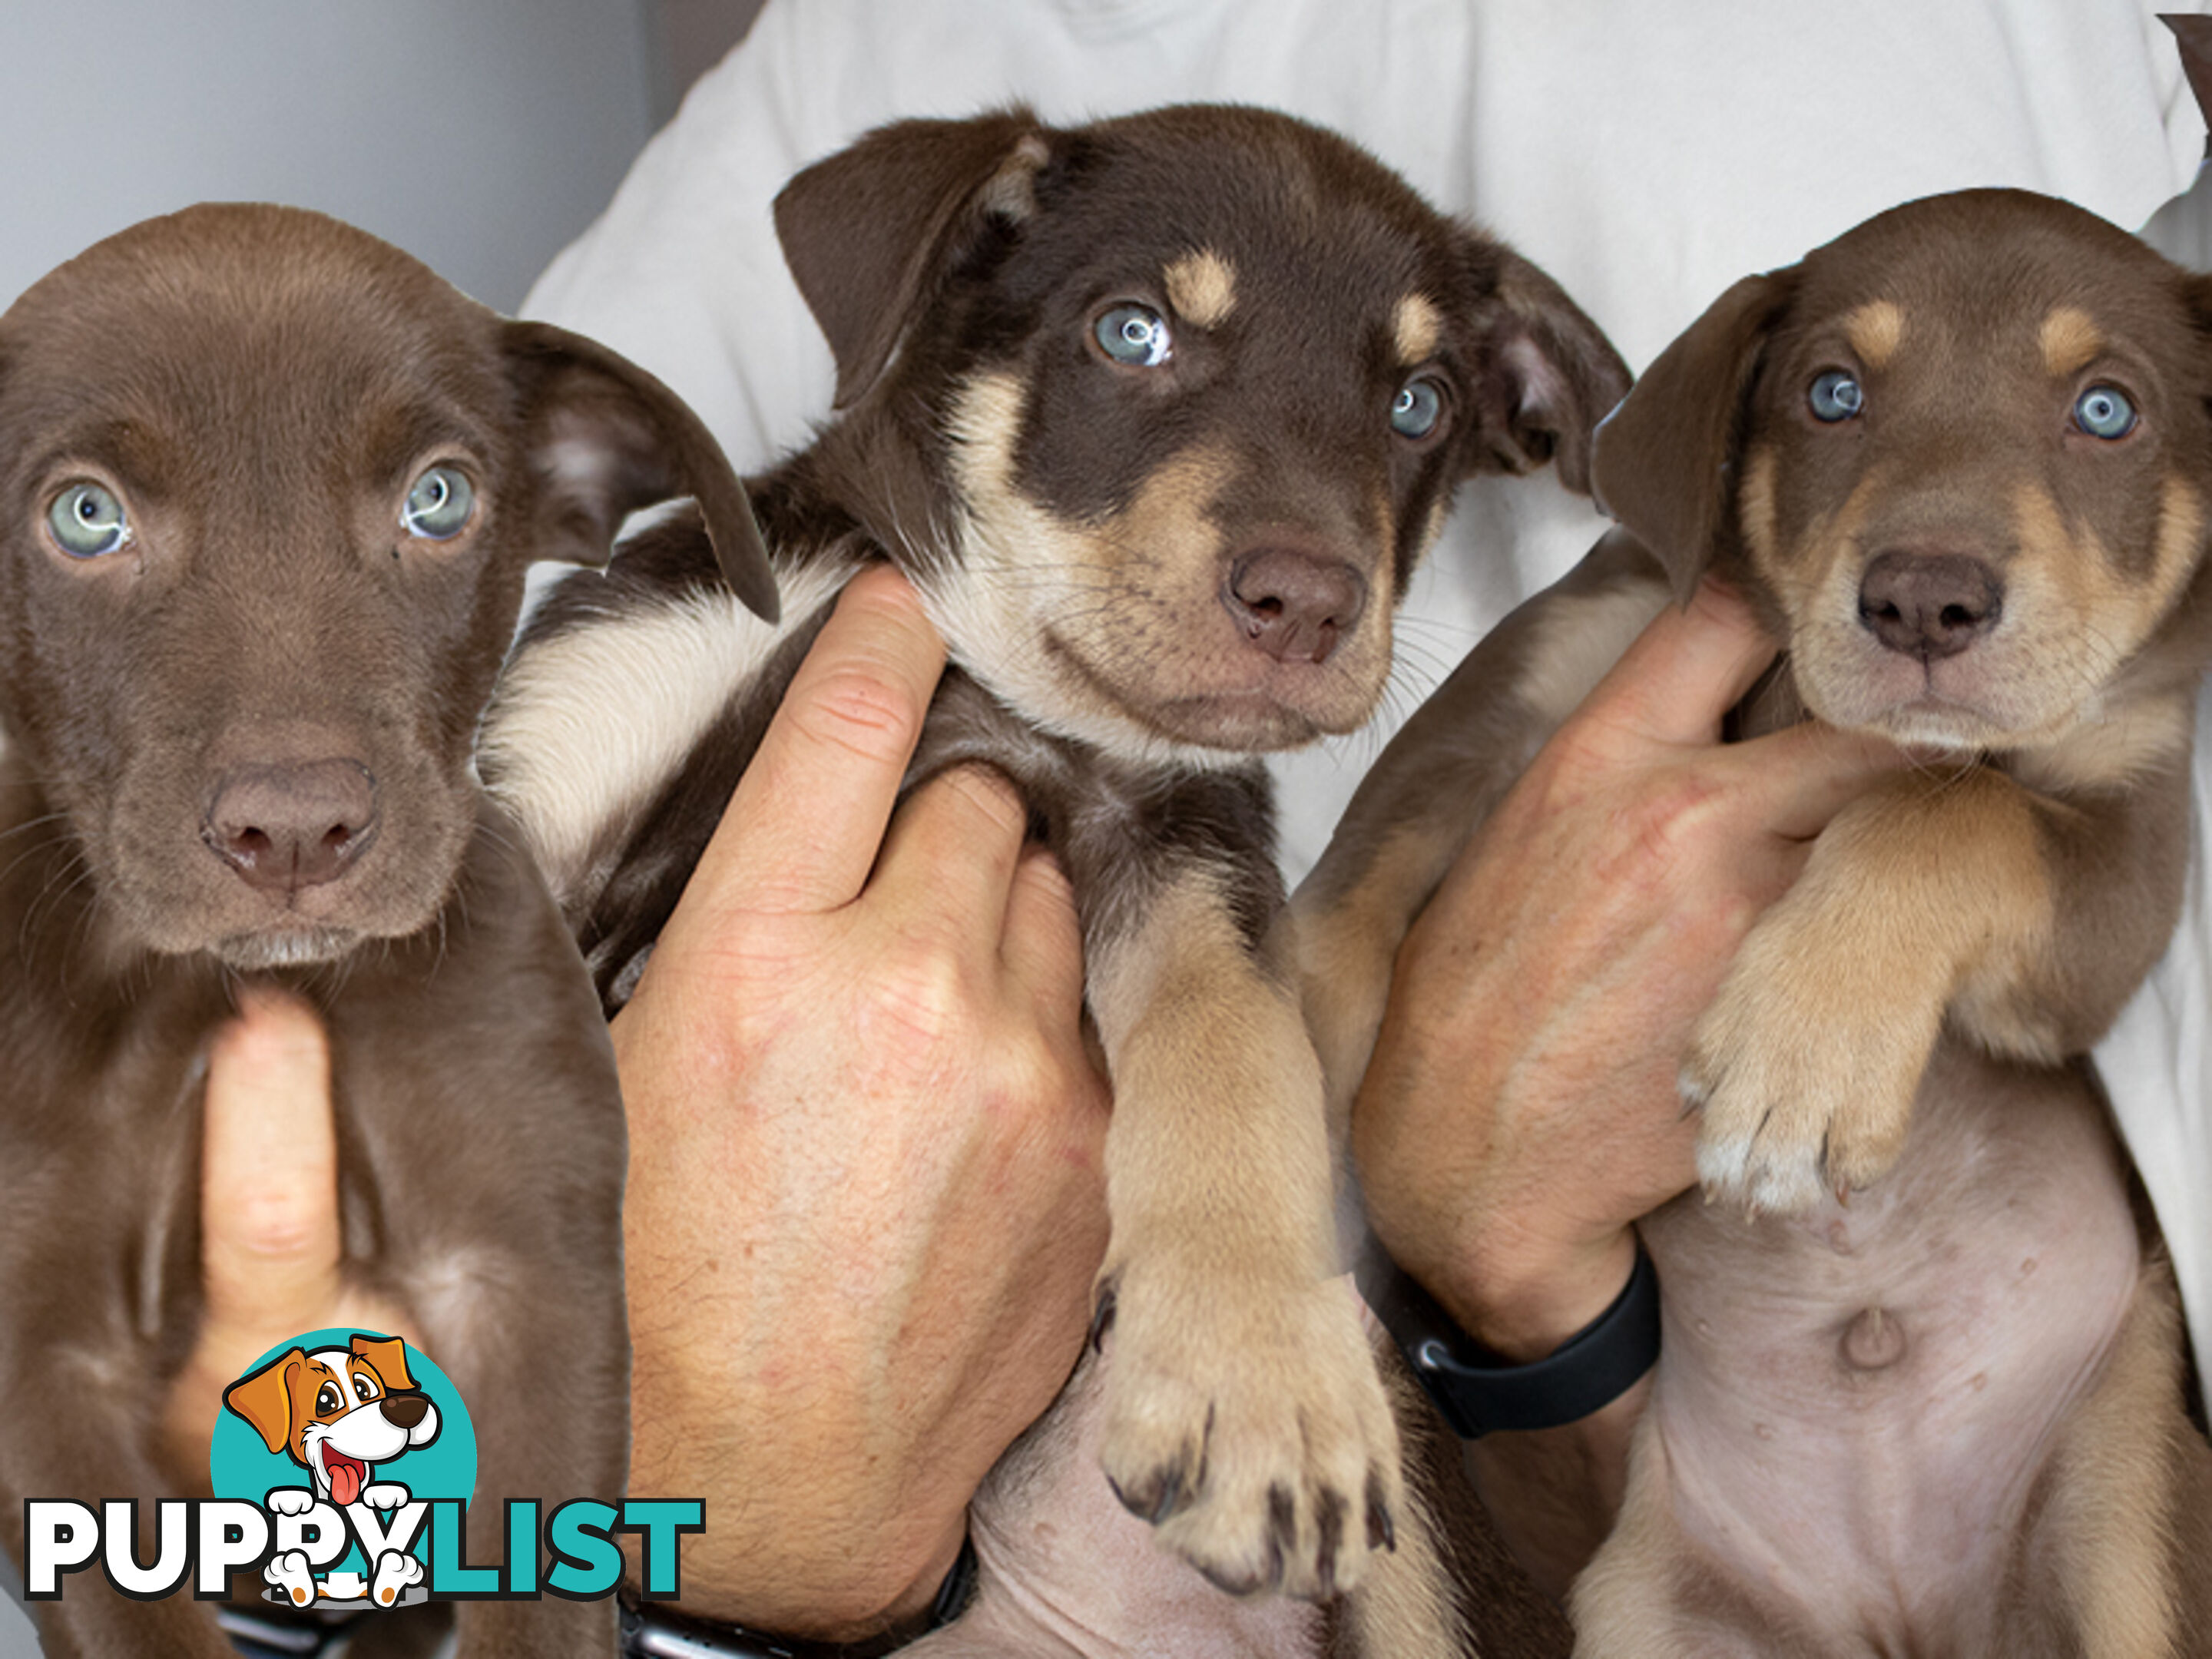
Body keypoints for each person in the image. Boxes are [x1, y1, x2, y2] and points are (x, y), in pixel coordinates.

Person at [166, 0, 2211, 1644]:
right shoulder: (777, 342)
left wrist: (1464, 1268)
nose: (1301, 551)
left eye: (1416, 415)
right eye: (1134, 338)